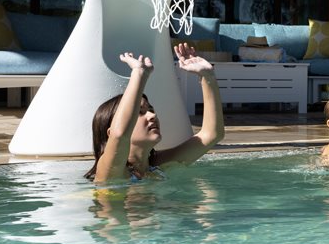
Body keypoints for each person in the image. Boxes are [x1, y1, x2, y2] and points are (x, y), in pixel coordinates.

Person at [85, 42, 225, 183]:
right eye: (140, 113)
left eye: (150, 110)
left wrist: (207, 76)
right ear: (110, 132)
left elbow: (212, 134)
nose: (152, 115)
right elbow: (119, 135)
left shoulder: (156, 165)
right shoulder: (109, 172)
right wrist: (139, 73)